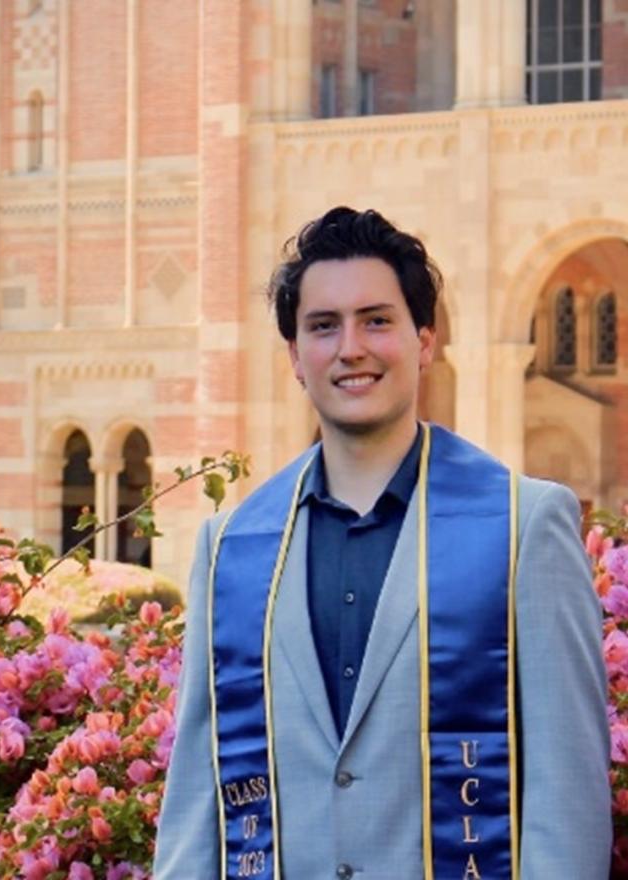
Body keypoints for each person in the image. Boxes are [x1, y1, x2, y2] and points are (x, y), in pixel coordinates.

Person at [154, 207, 611, 879]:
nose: (351, 349)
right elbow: (197, 801)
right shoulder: (232, 549)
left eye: (376, 320)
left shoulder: (523, 526)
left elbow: (566, 804)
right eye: (323, 327)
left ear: (424, 340)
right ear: (294, 357)